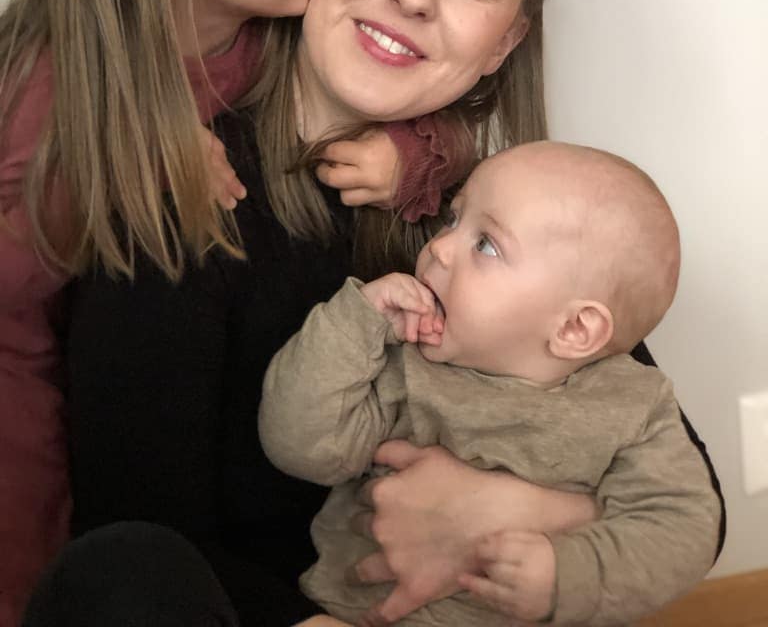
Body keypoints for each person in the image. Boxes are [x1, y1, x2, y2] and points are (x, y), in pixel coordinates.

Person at [25, 0, 722, 627]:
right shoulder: (187, 182)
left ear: (504, 43)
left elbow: (686, 485)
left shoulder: (500, 215)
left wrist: (509, 512)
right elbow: (138, 545)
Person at [0, 0, 465, 627]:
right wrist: (130, 159)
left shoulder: (266, 35)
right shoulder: (48, 94)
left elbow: (405, 103)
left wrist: (410, 155)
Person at [260, 142, 722, 627]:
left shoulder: (631, 408)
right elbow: (300, 449)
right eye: (454, 220)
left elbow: (685, 528)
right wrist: (357, 324)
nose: (438, 247)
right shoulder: (403, 361)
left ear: (574, 329)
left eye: (486, 245)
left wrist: (565, 573)